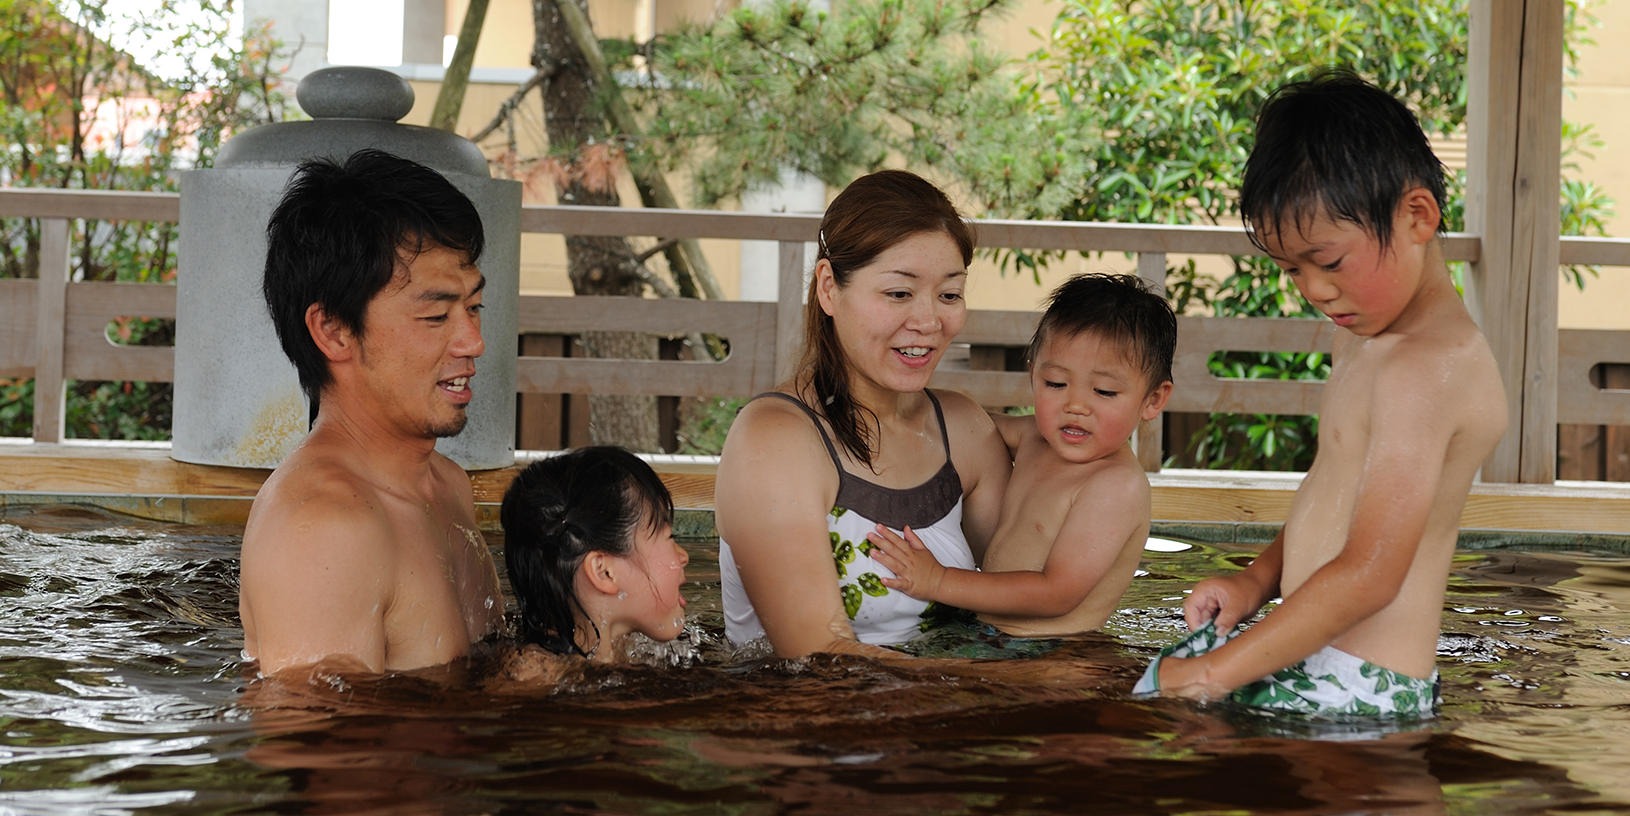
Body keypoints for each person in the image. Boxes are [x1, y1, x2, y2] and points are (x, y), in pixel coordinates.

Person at [1138, 69, 1506, 718]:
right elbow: (1333, 496)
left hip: (1364, 687)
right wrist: (1253, 582)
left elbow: (1371, 571)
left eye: (1329, 261)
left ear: (1417, 215)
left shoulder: (1427, 369)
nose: (1313, 288)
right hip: (1312, 654)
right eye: (1291, 269)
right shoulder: (1367, 336)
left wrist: (1212, 673)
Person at [716, 170, 1010, 657]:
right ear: (829, 288)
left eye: (950, 294)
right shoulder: (774, 441)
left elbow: (1024, 601)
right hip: (808, 720)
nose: (928, 321)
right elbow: (822, 660)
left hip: (946, 712)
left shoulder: (964, 430)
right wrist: (1029, 685)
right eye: (899, 293)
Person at [238, 149, 502, 677]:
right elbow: (322, 750)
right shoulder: (324, 529)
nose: (473, 341)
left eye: (473, 308)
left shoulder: (447, 485)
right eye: (435, 315)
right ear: (334, 330)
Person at [864, 272, 1168, 635]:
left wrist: (939, 580)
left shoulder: (1116, 486)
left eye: (1104, 392)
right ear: (1033, 374)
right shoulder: (1033, 438)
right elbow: (956, 428)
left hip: (1056, 658)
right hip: (994, 637)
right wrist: (885, 413)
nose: (1075, 405)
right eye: (1055, 383)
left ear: (1152, 400)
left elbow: (1056, 593)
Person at [499, 445, 691, 663]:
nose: (683, 556)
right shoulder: (534, 678)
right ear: (604, 572)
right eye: (669, 537)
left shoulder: (615, 658)